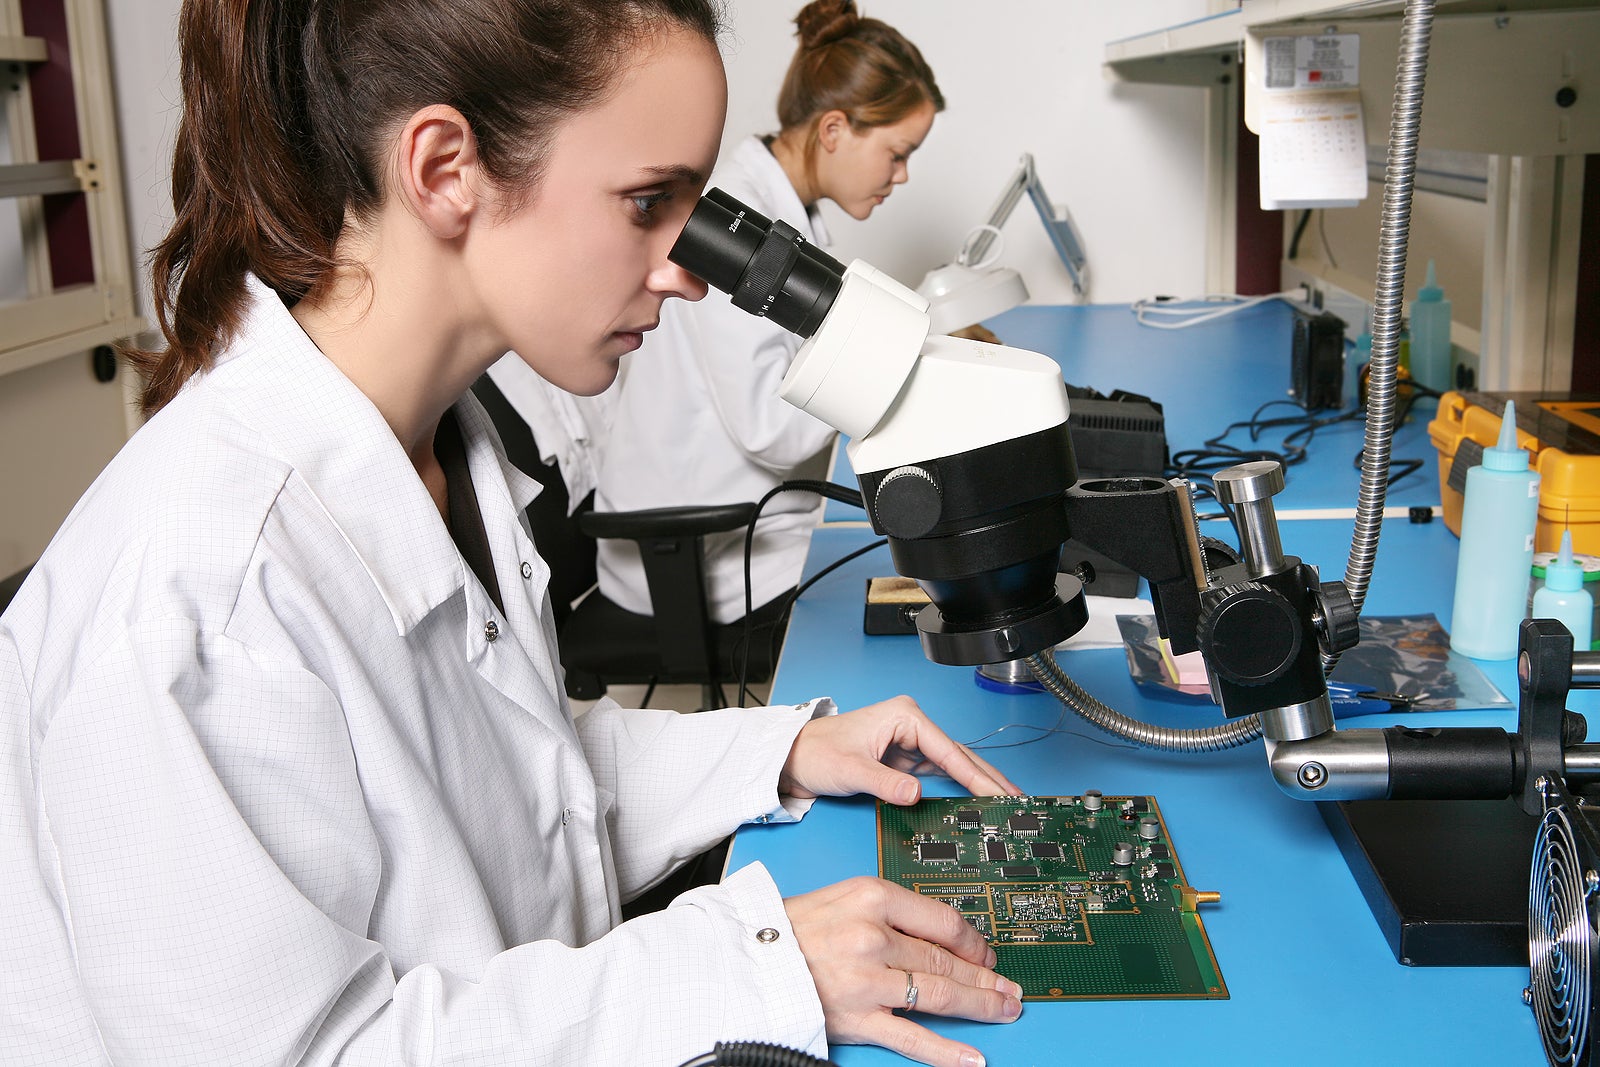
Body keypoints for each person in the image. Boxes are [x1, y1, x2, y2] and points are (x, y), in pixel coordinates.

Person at [0, 2, 1024, 1066]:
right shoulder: (198, 590)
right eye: (645, 202)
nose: (684, 268)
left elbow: (523, 781)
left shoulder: (452, 436)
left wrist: (780, 748)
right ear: (445, 168)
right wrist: (754, 963)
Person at [594, 0, 943, 632]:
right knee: (922, 592)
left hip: (745, 517)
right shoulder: (732, 222)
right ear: (833, 130)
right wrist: (892, 371)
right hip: (696, 547)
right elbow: (769, 431)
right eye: (897, 152)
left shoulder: (775, 215)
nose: (904, 175)